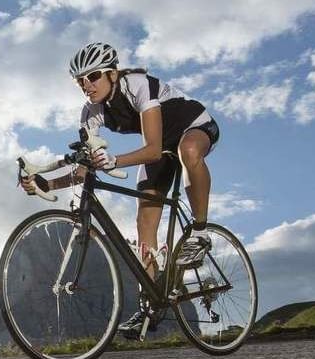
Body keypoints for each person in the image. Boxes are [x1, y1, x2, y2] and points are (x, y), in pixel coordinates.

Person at [20, 42, 220, 339]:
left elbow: (151, 150)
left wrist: (115, 160)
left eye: (94, 76)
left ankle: (200, 232)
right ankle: (149, 306)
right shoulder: (90, 113)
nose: (87, 85)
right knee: (144, 223)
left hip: (194, 128)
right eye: (80, 81)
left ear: (112, 73)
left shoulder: (137, 85)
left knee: (188, 150)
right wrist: (47, 183)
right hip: (164, 150)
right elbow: (85, 167)